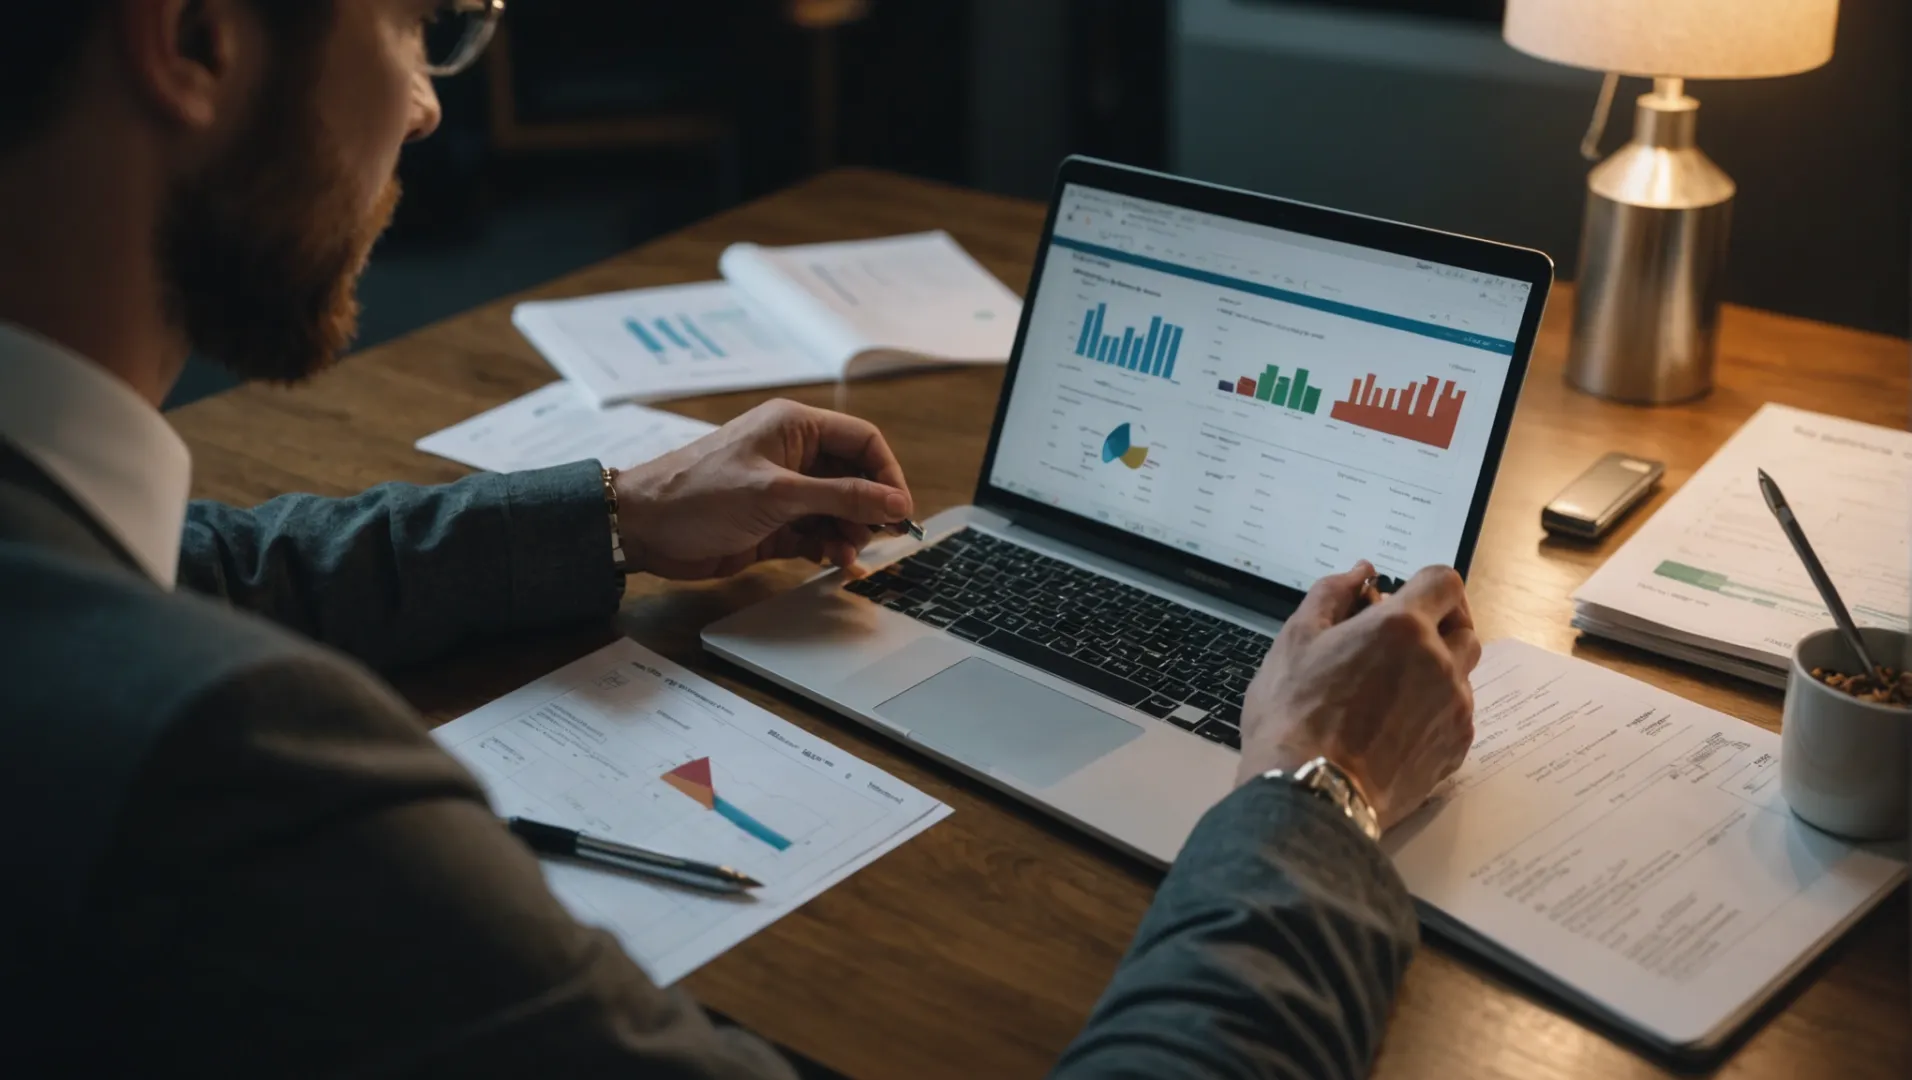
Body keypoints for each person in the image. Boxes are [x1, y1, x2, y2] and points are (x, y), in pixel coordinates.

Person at [0, 2, 1481, 1076]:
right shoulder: (229, 772)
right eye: (417, 18)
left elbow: (202, 565)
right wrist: (1317, 793)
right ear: (191, 35)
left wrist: (613, 512)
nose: (431, 104)